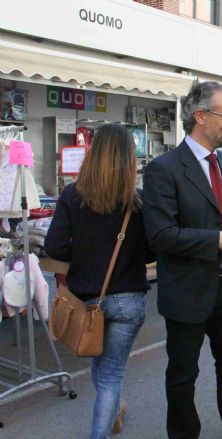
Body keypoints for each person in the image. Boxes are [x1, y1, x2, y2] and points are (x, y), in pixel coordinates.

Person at [143, 81, 222, 439]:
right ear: (200, 116)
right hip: (188, 293)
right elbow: (161, 236)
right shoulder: (164, 169)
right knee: (182, 376)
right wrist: (218, 241)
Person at [45, 123, 153, 438]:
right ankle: (113, 414)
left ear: (93, 154)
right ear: (129, 159)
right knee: (108, 372)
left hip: (86, 297)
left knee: (105, 374)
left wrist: (84, 254)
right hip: (129, 300)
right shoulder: (138, 201)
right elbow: (151, 251)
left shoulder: (72, 195)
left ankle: (102, 430)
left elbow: (54, 247)